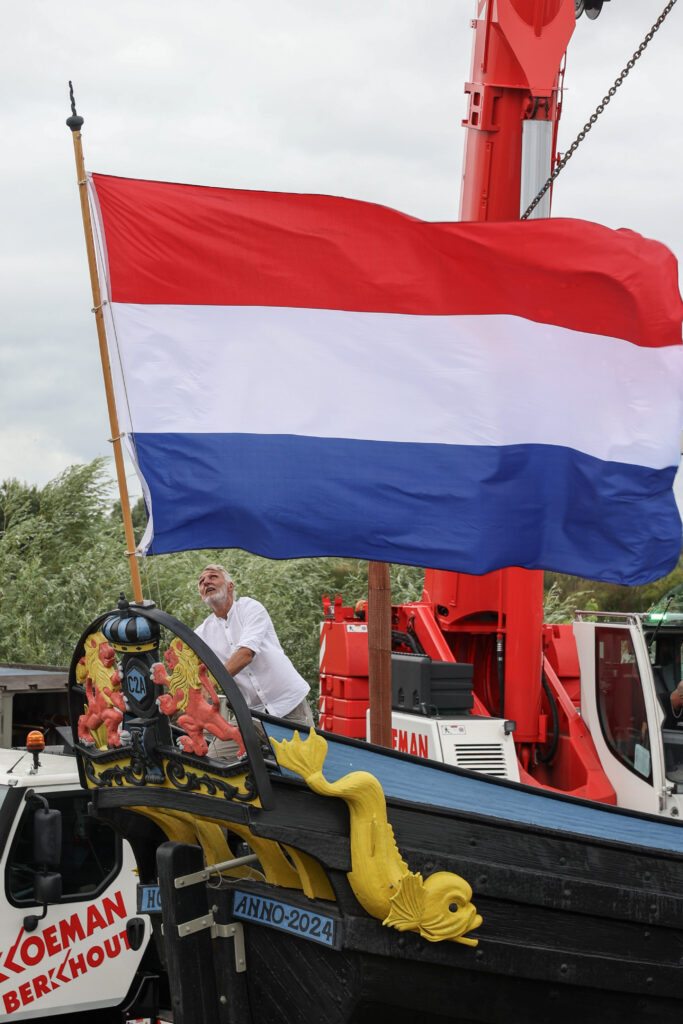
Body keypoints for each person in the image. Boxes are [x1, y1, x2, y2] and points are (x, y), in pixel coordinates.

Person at [195, 565, 315, 739]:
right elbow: (188, 669)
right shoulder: (202, 633)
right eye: (201, 581)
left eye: (213, 577)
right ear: (201, 597)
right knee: (216, 755)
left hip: (289, 705)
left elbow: (246, 654)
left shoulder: (250, 607)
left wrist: (211, 682)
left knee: (304, 756)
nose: (206, 582)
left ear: (230, 586)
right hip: (250, 715)